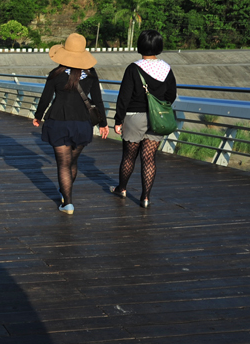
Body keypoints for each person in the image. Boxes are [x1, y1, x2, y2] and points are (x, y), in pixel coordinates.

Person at [33, 33, 109, 214]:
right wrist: (103, 124)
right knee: (72, 162)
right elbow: (98, 101)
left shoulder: (56, 74)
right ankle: (66, 192)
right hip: (82, 124)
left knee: (63, 164)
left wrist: (38, 115)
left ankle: (67, 202)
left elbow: (45, 98)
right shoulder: (91, 75)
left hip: (58, 122)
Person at [111, 30, 177, 208]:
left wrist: (118, 120)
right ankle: (145, 198)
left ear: (140, 46)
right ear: (159, 46)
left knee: (129, 156)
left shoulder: (133, 68)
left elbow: (124, 97)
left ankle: (122, 189)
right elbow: (171, 95)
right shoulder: (167, 69)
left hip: (134, 117)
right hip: (157, 119)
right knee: (149, 158)